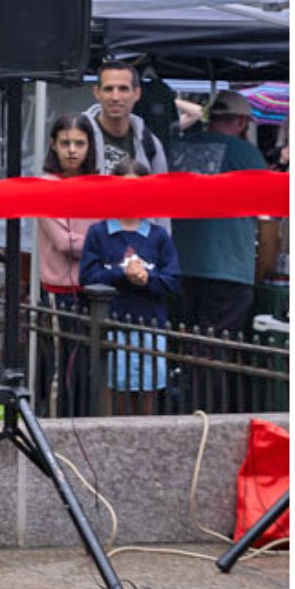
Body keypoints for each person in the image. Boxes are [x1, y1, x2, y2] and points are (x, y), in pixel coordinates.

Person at [167, 89, 279, 337]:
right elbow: (270, 214)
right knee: (217, 349)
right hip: (228, 269)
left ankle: (187, 376)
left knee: (184, 341)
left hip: (179, 264)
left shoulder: (179, 147)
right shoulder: (246, 154)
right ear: (241, 122)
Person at [79, 161, 181, 417]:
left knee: (148, 393)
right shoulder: (99, 233)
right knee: (114, 392)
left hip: (150, 326)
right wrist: (121, 273)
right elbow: (88, 277)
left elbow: (173, 281)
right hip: (112, 326)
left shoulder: (158, 236)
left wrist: (146, 278)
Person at [36, 113, 96, 307]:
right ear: (53, 144)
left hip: (96, 286)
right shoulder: (45, 187)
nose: (72, 150)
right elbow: (63, 243)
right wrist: (103, 246)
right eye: (65, 143)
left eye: (79, 144)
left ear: (89, 146)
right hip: (59, 289)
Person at [80, 59, 168, 177]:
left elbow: (160, 191)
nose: (115, 97)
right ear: (97, 93)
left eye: (123, 89)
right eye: (108, 89)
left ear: (137, 93)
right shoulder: (76, 134)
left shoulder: (150, 144)